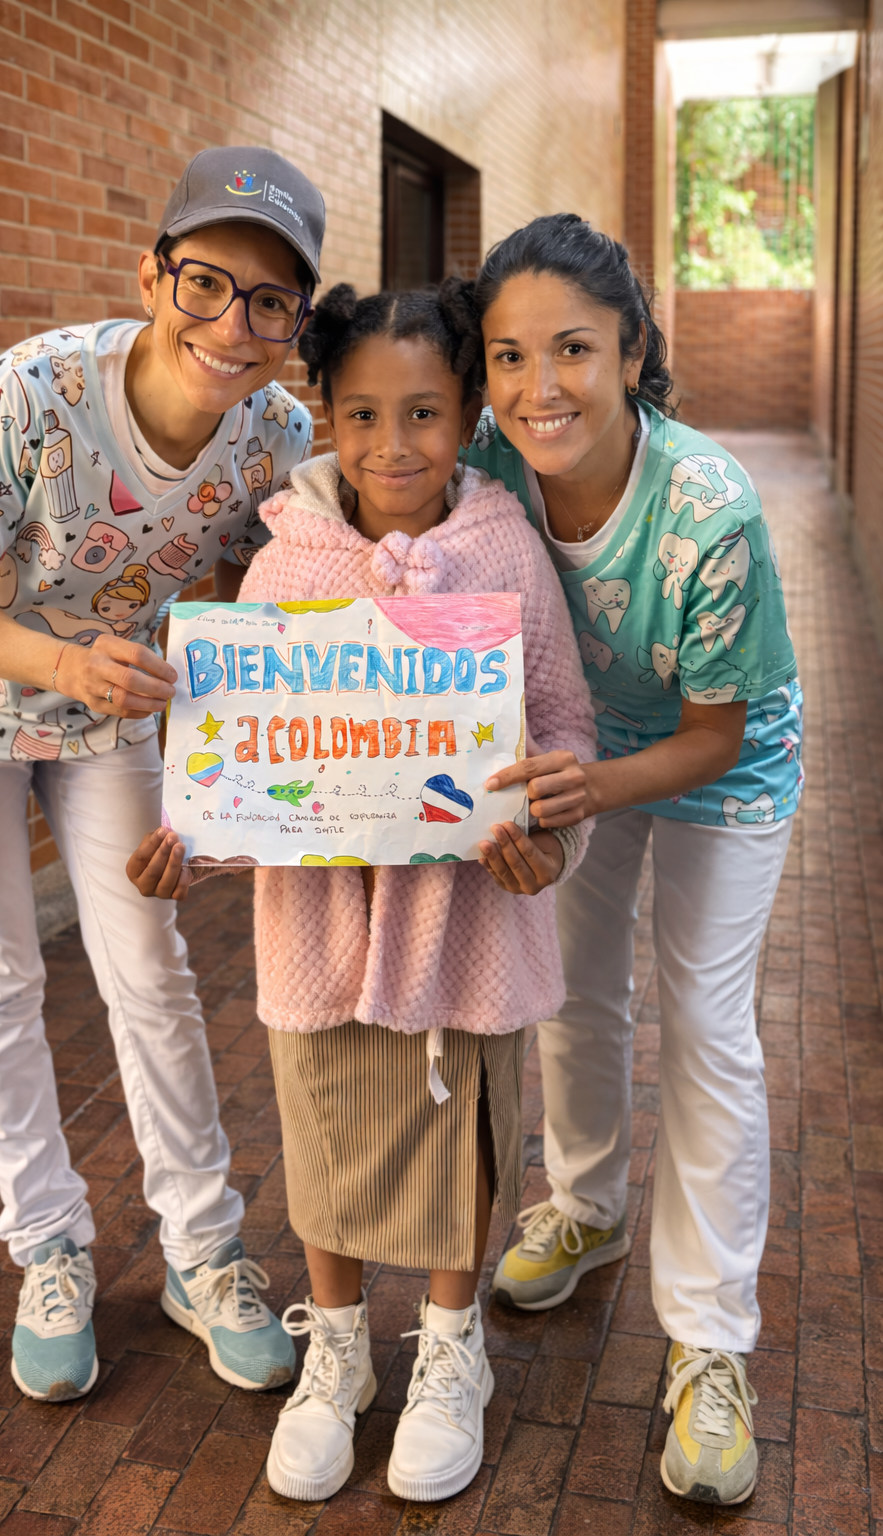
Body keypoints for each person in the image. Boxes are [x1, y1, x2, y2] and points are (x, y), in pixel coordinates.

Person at [128, 280, 596, 1502]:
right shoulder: (286, 569)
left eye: (427, 414)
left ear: (466, 418)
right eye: (362, 417)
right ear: (323, 417)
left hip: (465, 919)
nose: (395, 447)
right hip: (324, 925)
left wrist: (543, 823)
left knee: (460, 1138)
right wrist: (198, 836)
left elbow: (559, 724)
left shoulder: (503, 553)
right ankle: (332, 1349)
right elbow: (244, 753)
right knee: (325, 1125)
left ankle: (451, 1349)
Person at [0, 146, 325, 1403]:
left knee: (149, 966)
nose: (231, 327)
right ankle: (49, 1248)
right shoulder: (29, 392)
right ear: (152, 276)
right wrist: (67, 669)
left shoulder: (274, 435)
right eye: (205, 283)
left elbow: (268, 598)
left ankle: (203, 1250)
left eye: (269, 302)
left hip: (108, 714)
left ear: (294, 324)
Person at [467, 213, 802, 1507]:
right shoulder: (486, 465)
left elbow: (717, 732)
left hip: (723, 765)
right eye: (506, 356)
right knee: (576, 982)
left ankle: (712, 1345)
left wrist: (596, 785)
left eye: (571, 350)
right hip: (575, 749)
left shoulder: (710, 507)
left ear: (633, 350)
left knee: (706, 1024)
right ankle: (589, 1207)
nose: (537, 387)